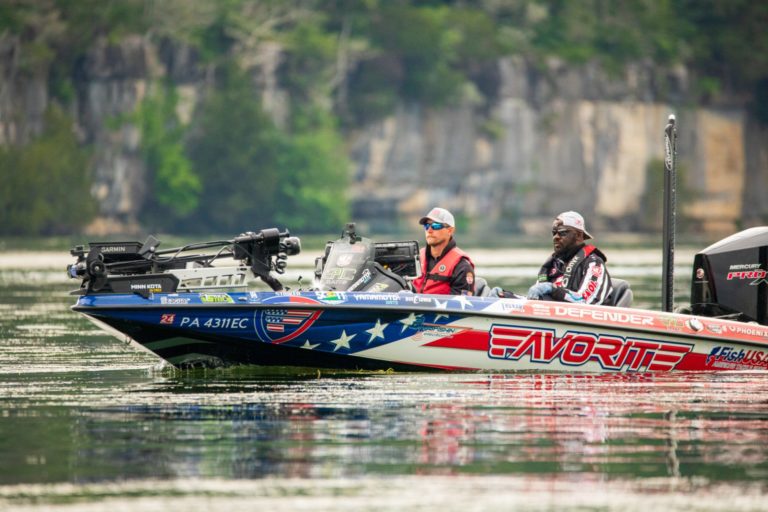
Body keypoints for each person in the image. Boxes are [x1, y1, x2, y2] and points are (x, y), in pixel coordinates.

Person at [526, 211, 613, 304]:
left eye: (562, 233)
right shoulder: (554, 264)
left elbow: (585, 301)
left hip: (580, 316)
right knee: (508, 296)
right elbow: (534, 297)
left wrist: (553, 289)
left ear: (579, 236)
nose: (556, 237)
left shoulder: (594, 263)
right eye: (554, 233)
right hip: (550, 312)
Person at [411, 207, 475, 295]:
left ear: (450, 230)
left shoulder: (462, 267)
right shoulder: (416, 258)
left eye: (435, 226)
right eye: (426, 226)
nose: (429, 230)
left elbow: (461, 305)